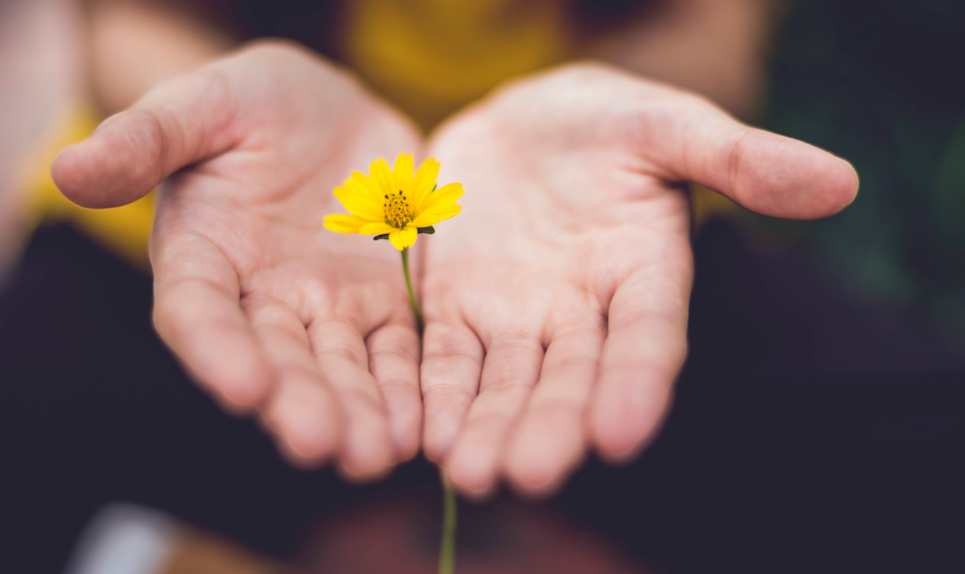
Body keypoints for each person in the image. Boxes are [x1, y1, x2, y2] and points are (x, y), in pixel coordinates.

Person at [38, 0, 860, 497]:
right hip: (235, 223)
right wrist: (204, 100)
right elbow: (130, 17)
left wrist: (620, 103)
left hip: (587, 228)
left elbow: (703, 35)